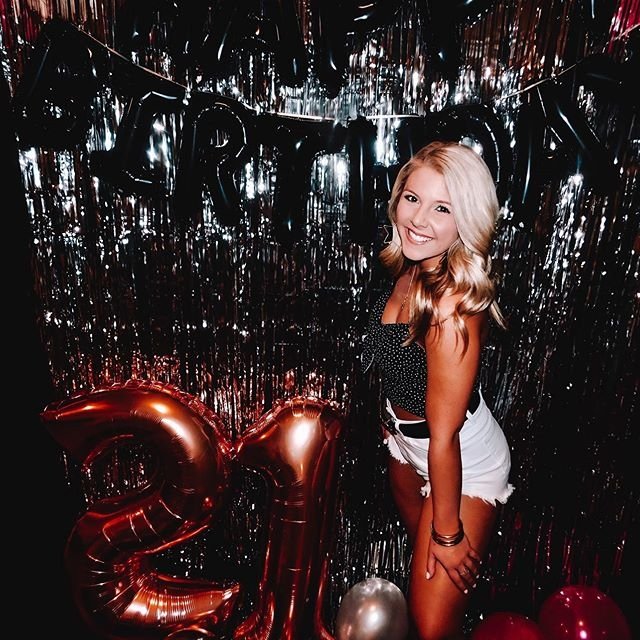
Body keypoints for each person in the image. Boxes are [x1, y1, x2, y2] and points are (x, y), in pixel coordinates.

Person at [362, 140, 515, 639]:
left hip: (461, 458)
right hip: (409, 447)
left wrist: (448, 535)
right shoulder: (414, 263)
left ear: (465, 220)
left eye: (442, 208)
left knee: (430, 625)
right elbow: (399, 363)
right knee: (429, 583)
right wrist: (393, 429)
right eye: (413, 198)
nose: (419, 219)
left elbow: (445, 436)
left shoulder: (451, 308)